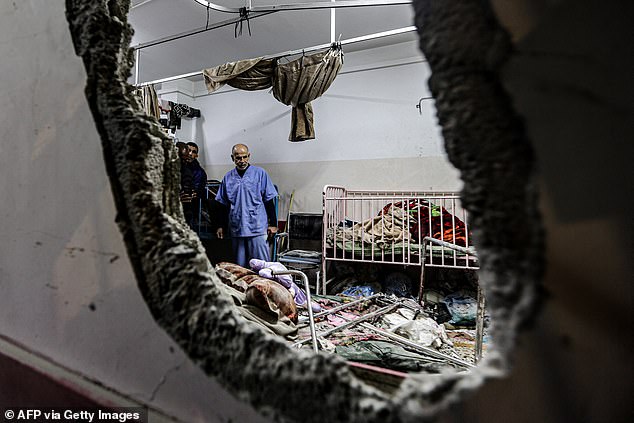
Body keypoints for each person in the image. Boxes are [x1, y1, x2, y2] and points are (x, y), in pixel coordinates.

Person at [215, 144, 278, 267]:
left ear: (249, 156)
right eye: (238, 158)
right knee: (240, 268)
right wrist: (220, 226)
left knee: (262, 266)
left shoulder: (260, 174)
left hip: (257, 227)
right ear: (232, 158)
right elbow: (223, 205)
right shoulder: (228, 177)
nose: (242, 161)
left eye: (244, 157)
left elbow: (269, 200)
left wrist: (273, 224)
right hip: (237, 227)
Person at [179, 141, 207, 228]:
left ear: (196, 155)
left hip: (190, 209)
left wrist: (192, 194)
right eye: (188, 150)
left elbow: (197, 191)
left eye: (193, 152)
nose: (190, 154)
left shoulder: (200, 173)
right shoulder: (177, 166)